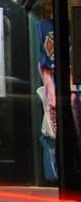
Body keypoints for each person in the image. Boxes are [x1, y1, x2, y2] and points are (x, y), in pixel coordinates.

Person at [37, 19, 59, 184]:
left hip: (57, 95)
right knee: (50, 136)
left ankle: (53, 177)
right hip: (57, 97)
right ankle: (53, 177)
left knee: (50, 136)